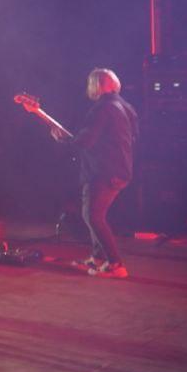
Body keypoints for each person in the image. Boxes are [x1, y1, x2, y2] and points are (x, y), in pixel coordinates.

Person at [51, 68, 137, 279]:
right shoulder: (126, 107)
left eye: (91, 83)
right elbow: (130, 137)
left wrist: (64, 140)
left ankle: (116, 264)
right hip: (120, 169)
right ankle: (98, 258)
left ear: (97, 86)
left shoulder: (102, 108)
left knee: (94, 216)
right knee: (92, 215)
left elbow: (86, 140)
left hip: (103, 171)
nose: (89, 87)